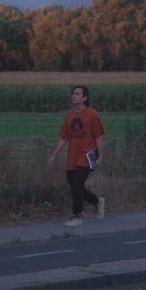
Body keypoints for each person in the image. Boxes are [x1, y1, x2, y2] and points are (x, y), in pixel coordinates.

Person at [48, 85, 106, 227]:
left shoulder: (92, 114)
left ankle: (77, 216)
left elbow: (98, 137)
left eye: (78, 94)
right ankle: (97, 201)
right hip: (73, 155)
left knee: (77, 183)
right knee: (74, 185)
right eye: (73, 93)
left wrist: (101, 156)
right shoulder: (69, 115)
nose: (74, 95)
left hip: (88, 154)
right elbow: (63, 138)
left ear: (85, 98)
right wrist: (54, 155)